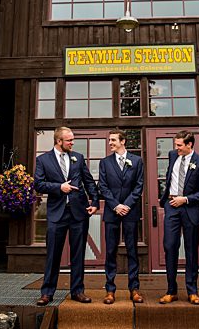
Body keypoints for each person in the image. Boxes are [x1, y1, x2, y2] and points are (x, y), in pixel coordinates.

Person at [34, 126, 99, 306]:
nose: (72, 142)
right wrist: (58, 187)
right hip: (57, 214)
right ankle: (47, 293)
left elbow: (89, 182)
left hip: (78, 213)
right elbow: (38, 184)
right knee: (53, 254)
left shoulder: (77, 157)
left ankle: (77, 291)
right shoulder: (43, 160)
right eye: (69, 140)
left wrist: (94, 203)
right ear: (58, 141)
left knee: (78, 254)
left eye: (72, 139)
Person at [159, 131, 199, 305]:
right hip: (172, 206)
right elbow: (170, 177)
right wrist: (167, 199)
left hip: (190, 209)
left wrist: (186, 199)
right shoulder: (173, 155)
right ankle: (171, 290)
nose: (176, 148)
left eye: (179, 145)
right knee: (170, 246)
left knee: (191, 250)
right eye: (176, 145)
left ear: (190, 145)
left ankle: (192, 291)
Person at [97, 131, 145, 304]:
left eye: (113, 140)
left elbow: (139, 186)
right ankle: (110, 290)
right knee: (111, 251)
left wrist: (127, 205)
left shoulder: (137, 161)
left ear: (123, 141)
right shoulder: (104, 163)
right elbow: (102, 186)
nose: (110, 143)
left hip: (130, 212)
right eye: (109, 140)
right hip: (112, 212)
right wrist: (116, 205)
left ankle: (134, 289)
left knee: (133, 250)